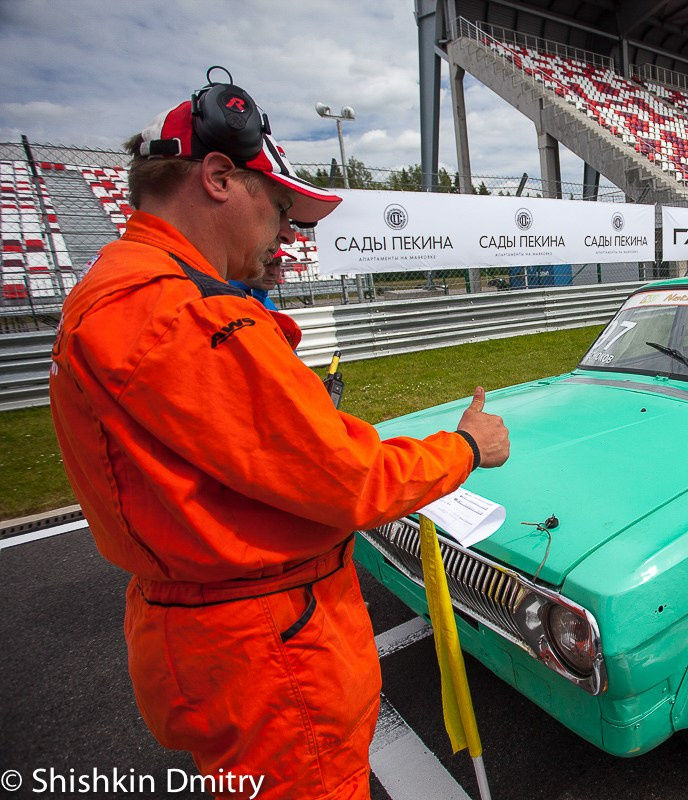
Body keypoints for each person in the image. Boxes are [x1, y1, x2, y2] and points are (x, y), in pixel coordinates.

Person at [48, 68, 509, 800]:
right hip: (270, 646)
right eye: (282, 210)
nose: (289, 236)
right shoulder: (184, 313)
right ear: (219, 178)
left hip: (219, 630)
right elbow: (351, 478)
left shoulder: (121, 287)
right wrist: (467, 446)